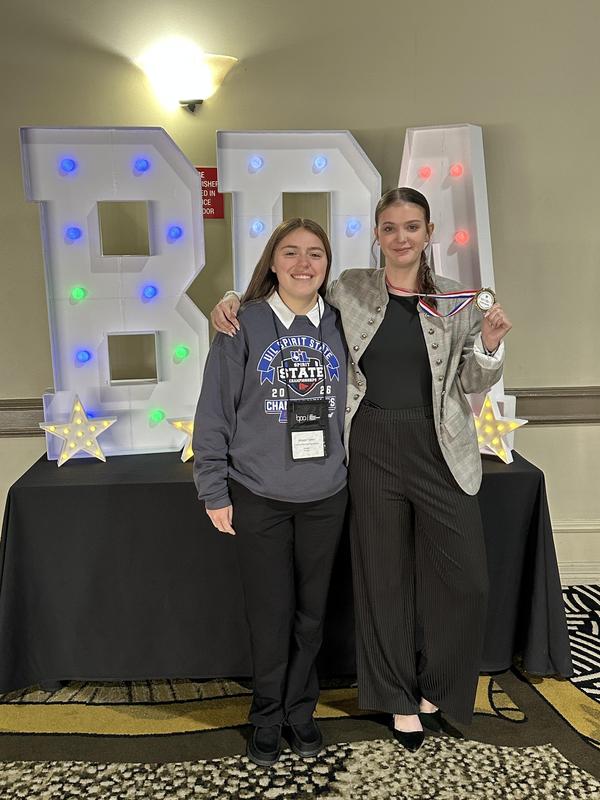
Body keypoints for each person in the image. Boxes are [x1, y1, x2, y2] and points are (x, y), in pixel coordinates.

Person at [211, 187, 512, 753]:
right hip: (370, 444)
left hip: (439, 445)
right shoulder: (350, 287)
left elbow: (472, 382)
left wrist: (490, 347)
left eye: (413, 227)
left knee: (466, 579)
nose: (402, 237)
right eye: (391, 227)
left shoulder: (455, 299)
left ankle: (437, 691)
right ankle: (398, 698)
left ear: (429, 233)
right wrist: (230, 297)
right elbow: (290, 284)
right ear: (376, 234)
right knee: (383, 578)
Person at [192, 218, 348, 767]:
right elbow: (213, 413)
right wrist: (214, 489)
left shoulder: (345, 323)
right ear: (273, 261)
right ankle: (265, 714)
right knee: (270, 613)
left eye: (315, 255)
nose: (304, 264)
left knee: (311, 615)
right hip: (258, 494)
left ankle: (299, 711)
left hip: (327, 494)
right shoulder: (243, 325)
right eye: (291, 253)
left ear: (327, 267)